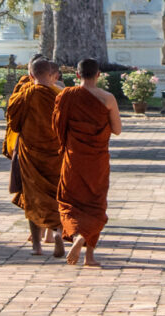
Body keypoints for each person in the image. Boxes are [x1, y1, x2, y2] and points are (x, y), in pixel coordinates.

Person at [53, 58, 122, 268]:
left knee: (69, 202)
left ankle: (76, 236)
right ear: (98, 74)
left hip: (74, 159)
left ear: (77, 75)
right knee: (96, 204)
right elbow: (117, 129)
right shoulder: (108, 98)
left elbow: (57, 127)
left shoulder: (66, 95)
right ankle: (89, 255)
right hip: (97, 161)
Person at [5, 59, 65, 257]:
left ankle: (37, 246)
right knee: (56, 196)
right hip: (55, 154)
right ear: (52, 75)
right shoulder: (60, 95)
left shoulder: (24, 95)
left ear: (31, 75)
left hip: (30, 153)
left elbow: (14, 124)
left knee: (33, 197)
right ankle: (57, 232)